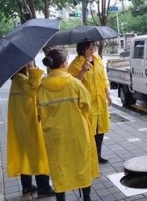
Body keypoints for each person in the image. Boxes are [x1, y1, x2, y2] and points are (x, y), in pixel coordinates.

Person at [37, 49, 100, 201]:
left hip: (55, 136)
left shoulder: (42, 87)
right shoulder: (74, 83)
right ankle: (86, 198)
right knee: (82, 165)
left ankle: (61, 198)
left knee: (59, 167)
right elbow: (87, 107)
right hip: (77, 132)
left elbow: (39, 112)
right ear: (64, 63)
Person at [7, 62, 55, 198]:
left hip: (21, 125)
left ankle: (27, 187)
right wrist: (33, 67)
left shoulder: (16, 80)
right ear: (24, 65)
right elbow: (34, 86)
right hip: (30, 125)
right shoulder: (22, 80)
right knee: (39, 155)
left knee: (25, 155)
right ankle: (43, 188)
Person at [68, 41, 112, 163]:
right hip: (87, 103)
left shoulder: (97, 59)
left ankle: (98, 155)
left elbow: (103, 78)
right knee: (88, 130)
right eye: (89, 48)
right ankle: (89, 157)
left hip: (100, 101)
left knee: (100, 129)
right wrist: (82, 71)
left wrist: (107, 94)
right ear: (82, 49)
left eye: (93, 47)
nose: (92, 50)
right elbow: (72, 84)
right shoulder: (76, 64)